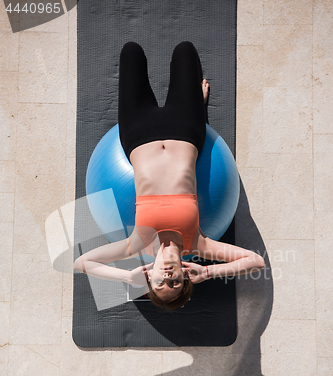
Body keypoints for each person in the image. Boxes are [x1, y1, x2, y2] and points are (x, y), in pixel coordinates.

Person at [74, 41, 265, 310]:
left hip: (138, 132)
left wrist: (127, 276)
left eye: (158, 284)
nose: (167, 279)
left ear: (148, 276)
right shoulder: (199, 244)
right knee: (185, 50)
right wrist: (209, 272)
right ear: (185, 277)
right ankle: (199, 105)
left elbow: (81, 263)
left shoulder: (136, 245)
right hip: (185, 128)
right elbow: (256, 262)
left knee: (131, 51)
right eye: (175, 284)